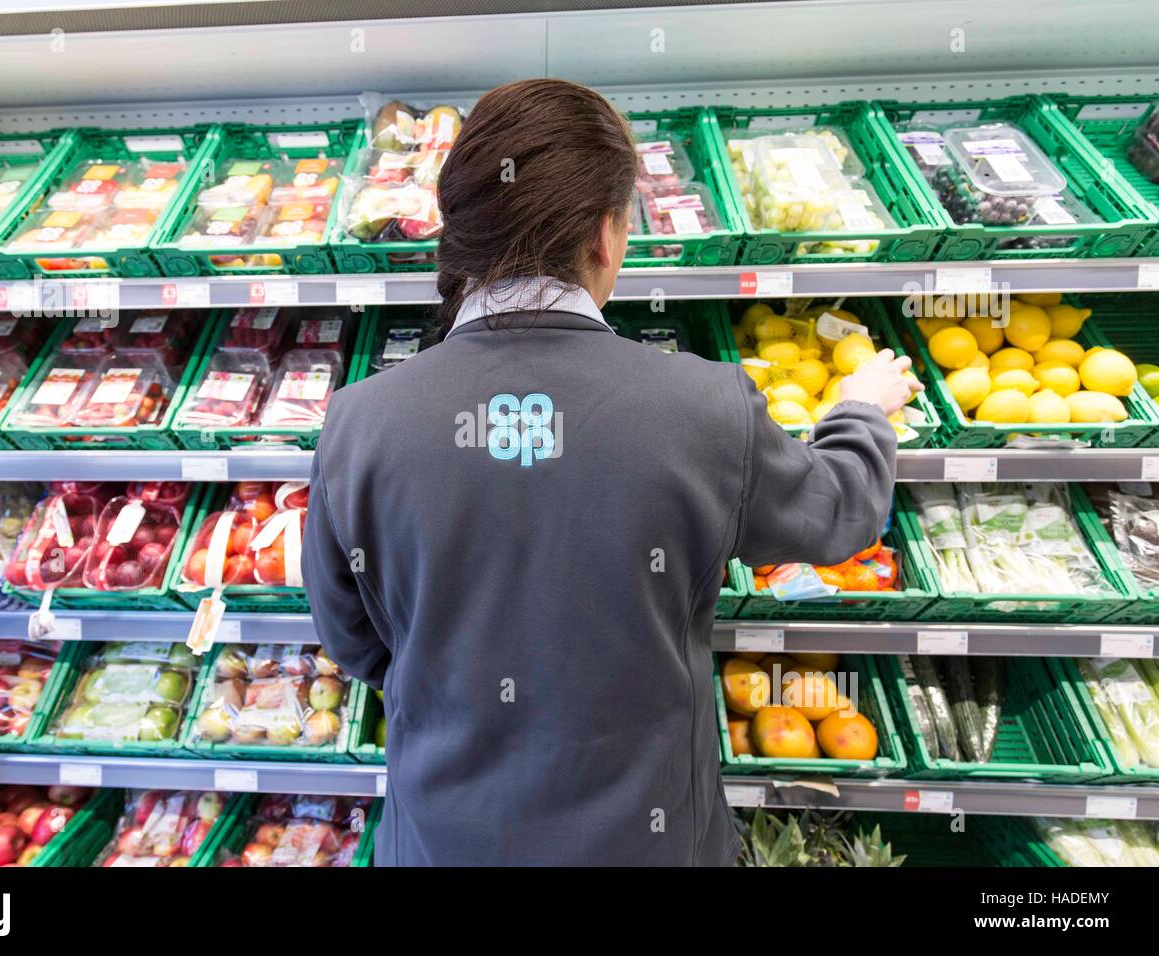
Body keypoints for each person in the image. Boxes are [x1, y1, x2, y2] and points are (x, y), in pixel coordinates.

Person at [302, 78, 919, 866]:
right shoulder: (702, 406)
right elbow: (841, 515)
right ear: (605, 233)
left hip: (445, 840)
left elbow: (355, 642)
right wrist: (860, 409)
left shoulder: (359, 420)